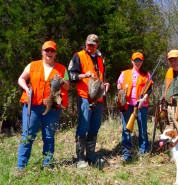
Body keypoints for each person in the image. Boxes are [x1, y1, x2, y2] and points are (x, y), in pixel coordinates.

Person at [17, 41, 70, 173]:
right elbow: (21, 79)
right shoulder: (32, 65)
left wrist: (62, 81)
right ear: (42, 52)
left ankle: (47, 165)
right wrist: (26, 88)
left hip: (52, 107)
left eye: (52, 51)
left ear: (55, 53)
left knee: (49, 136)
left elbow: (68, 86)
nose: (49, 53)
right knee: (28, 135)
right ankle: (20, 167)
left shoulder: (62, 68)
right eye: (47, 50)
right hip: (33, 105)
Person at [68, 34, 110, 168]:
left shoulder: (100, 58)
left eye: (93, 45)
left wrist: (105, 84)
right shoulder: (78, 56)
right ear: (85, 44)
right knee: (84, 125)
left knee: (95, 125)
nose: (90, 47)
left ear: (97, 44)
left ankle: (91, 155)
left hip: (98, 96)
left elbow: (102, 76)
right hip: (85, 96)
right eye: (88, 44)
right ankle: (80, 158)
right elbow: (70, 74)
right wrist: (83, 75)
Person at [117, 52, 152, 162]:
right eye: (135, 60)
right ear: (132, 61)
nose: (137, 62)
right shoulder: (125, 73)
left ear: (142, 62)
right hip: (128, 106)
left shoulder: (146, 74)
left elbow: (150, 88)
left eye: (140, 60)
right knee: (126, 129)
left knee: (143, 130)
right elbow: (119, 85)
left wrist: (144, 99)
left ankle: (143, 151)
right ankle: (127, 152)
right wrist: (120, 91)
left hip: (142, 105)